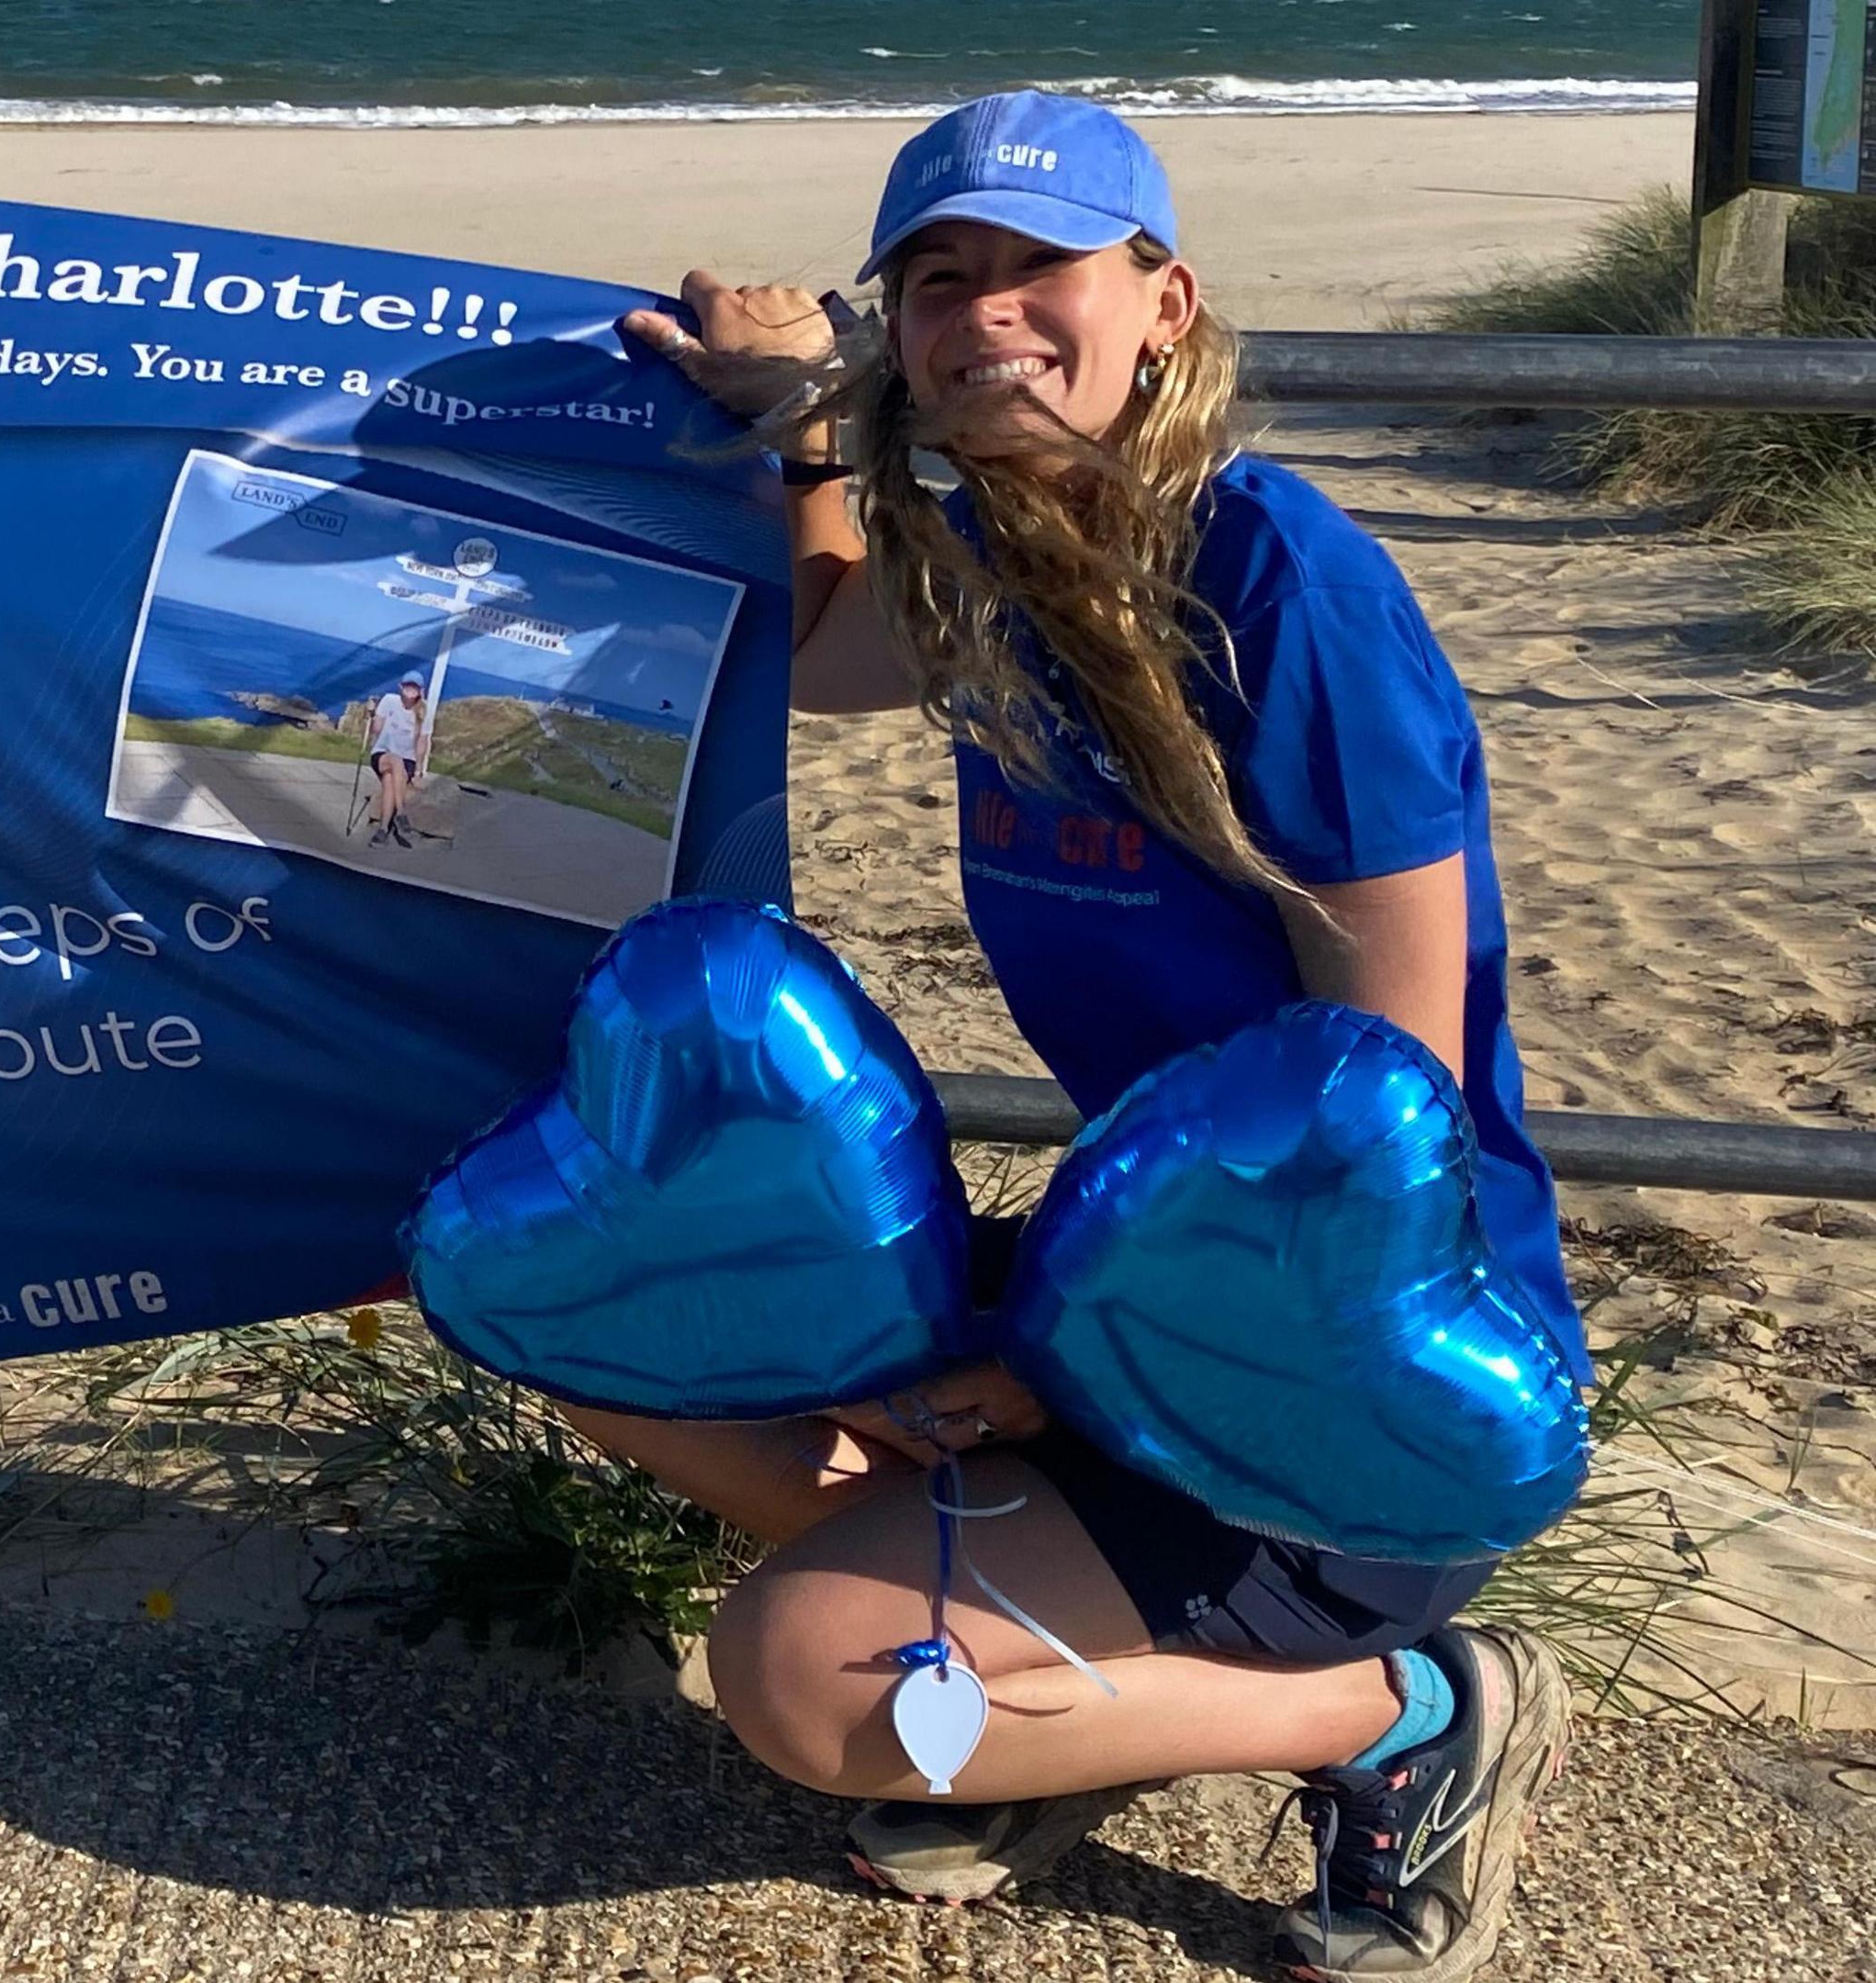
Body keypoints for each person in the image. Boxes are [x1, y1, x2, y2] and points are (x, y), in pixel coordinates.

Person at [591, 92, 1574, 1981]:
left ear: (1165, 303)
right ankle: (1057, 1659)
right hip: (1124, 1284)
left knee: (792, 1679)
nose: (988, 318)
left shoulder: (1276, 581)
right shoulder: (999, 566)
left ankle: (1414, 1712)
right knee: (616, 1329)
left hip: (1342, 1353)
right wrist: (795, 415)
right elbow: (819, 649)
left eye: (1040, 267)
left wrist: (1049, 1374)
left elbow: (1394, 1108)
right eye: (939, 281)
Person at [365, 673, 431, 847]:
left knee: (389, 780)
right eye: (408, 685)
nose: (411, 689)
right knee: (395, 760)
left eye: (415, 687)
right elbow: (377, 729)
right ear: (401, 687)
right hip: (383, 754)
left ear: (420, 691)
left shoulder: (424, 712)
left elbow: (422, 742)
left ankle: (383, 830)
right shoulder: (389, 701)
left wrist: (418, 770)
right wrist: (373, 714)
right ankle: (401, 812)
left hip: (406, 760)